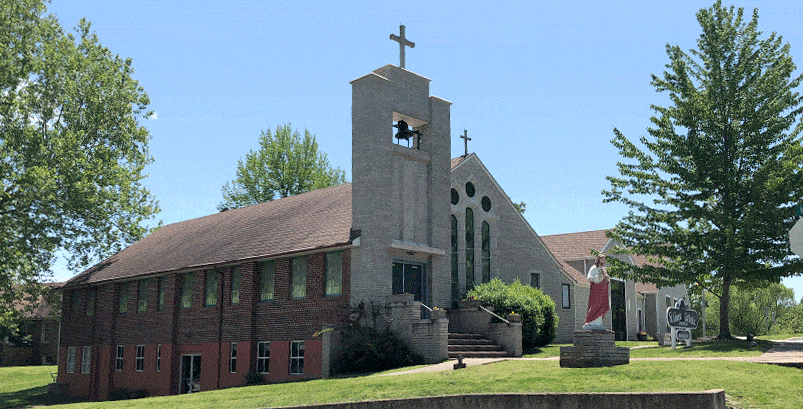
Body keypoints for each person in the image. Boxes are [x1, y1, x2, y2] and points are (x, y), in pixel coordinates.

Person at [583, 254, 610, 330]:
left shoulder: (604, 269)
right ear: (598, 260)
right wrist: (597, 277)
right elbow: (589, 278)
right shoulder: (594, 268)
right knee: (595, 305)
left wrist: (607, 277)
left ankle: (598, 323)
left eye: (604, 259)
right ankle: (589, 322)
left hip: (603, 290)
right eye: (602, 259)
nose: (603, 261)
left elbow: (607, 279)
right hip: (596, 290)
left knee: (602, 306)